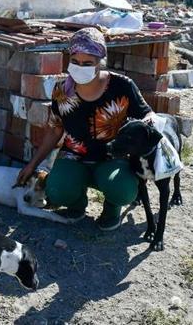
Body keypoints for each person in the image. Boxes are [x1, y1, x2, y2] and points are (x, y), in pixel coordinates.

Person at [17, 28, 155, 231]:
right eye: (75, 61)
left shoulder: (122, 86)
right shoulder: (62, 91)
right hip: (75, 156)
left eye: (88, 63)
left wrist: (150, 121)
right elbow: (55, 130)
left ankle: (111, 210)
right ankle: (76, 205)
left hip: (112, 159)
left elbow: (147, 115)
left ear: (100, 62)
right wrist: (32, 164)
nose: (81, 67)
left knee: (123, 189)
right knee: (56, 189)